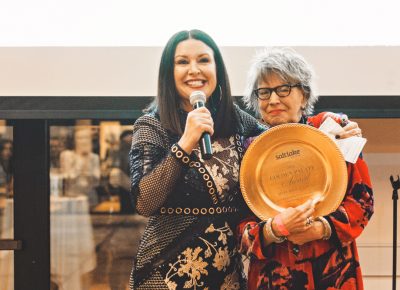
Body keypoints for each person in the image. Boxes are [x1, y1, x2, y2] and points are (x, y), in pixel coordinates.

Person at [129, 29, 265, 289]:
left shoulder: (237, 121)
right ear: (169, 73)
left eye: (203, 60)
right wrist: (185, 143)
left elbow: (279, 143)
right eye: (182, 62)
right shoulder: (151, 126)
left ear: (217, 68)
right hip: (166, 275)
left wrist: (329, 126)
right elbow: (144, 202)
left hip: (226, 274)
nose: (194, 70)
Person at [238, 47, 374, 289]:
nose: (273, 100)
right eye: (264, 92)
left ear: (304, 95)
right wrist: (273, 230)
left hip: (333, 272)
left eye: (283, 89)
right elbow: (238, 226)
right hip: (274, 276)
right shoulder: (246, 152)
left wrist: (321, 229)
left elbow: (362, 203)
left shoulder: (334, 132)